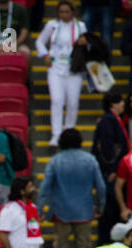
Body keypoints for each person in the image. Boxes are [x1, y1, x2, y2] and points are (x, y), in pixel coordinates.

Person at [39, 128, 105, 248]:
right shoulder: (90, 160)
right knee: (84, 246)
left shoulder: (55, 161)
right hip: (84, 211)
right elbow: (101, 186)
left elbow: (45, 188)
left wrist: (39, 209)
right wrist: (100, 205)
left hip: (61, 211)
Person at [37, 2, 89, 148]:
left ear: (73, 13)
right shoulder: (51, 25)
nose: (64, 15)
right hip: (55, 67)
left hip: (74, 68)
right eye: (61, 12)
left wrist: (85, 42)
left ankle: (70, 131)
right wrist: (45, 55)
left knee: (72, 102)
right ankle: (56, 134)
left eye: (67, 12)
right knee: (57, 100)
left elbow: (90, 45)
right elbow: (40, 42)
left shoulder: (81, 26)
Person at [93, 92, 132, 245]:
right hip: (113, 174)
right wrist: (111, 169)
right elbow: (107, 148)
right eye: (121, 101)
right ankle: (107, 243)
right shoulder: (108, 121)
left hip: (118, 172)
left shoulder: (115, 120)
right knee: (109, 212)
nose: (123, 104)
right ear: (113, 104)